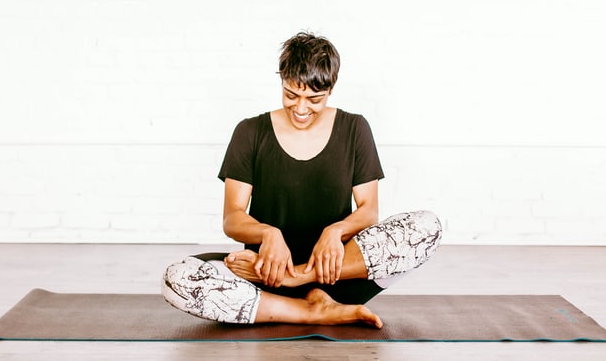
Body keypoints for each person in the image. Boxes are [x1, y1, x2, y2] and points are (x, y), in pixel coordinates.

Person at [162, 31, 442, 328]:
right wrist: (269, 235)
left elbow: (368, 210)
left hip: (337, 273)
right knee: (178, 278)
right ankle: (309, 310)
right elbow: (232, 218)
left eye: (314, 99)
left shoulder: (355, 129)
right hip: (265, 273)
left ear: (330, 90)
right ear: (282, 80)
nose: (301, 108)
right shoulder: (250, 132)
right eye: (291, 95)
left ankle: (304, 281)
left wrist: (335, 233)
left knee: (427, 227)